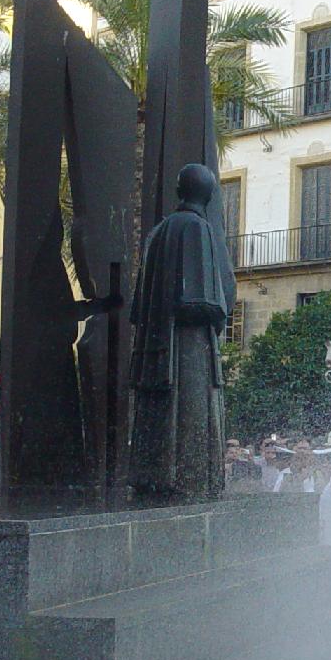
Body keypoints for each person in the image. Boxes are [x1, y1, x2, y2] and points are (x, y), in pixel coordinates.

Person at [129, 164, 236, 503]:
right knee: (190, 417)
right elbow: (197, 302)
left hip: (157, 348)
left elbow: (139, 308)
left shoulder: (157, 234)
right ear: (208, 194)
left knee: (159, 419)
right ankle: (190, 482)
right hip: (188, 349)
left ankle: (154, 479)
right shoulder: (196, 227)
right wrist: (220, 309)